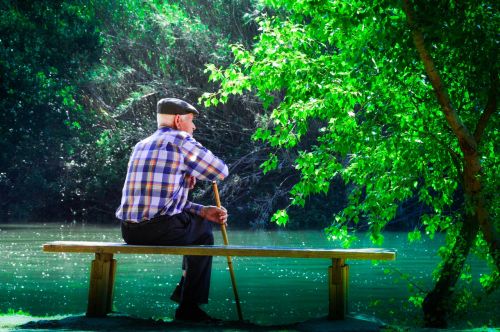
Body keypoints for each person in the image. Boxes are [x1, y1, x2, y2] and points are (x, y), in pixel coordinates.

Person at [115, 97, 229, 322]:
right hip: (161, 228)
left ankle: (184, 294)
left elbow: (162, 202)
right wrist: (191, 168)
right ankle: (188, 308)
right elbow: (220, 171)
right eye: (191, 121)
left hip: (129, 231)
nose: (193, 127)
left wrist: (201, 209)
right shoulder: (181, 140)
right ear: (178, 120)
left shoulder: (141, 145)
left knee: (199, 221)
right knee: (204, 233)